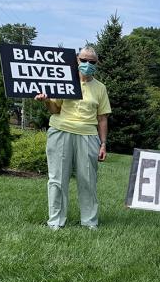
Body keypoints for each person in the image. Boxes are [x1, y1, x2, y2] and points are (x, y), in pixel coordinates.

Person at [34, 46, 111, 231]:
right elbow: (55, 109)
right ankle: (55, 221)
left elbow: (102, 118)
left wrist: (103, 144)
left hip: (88, 135)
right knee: (57, 178)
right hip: (60, 131)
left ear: (97, 63)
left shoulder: (100, 88)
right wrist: (46, 101)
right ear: (77, 59)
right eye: (84, 60)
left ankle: (89, 221)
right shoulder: (64, 81)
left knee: (88, 180)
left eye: (92, 62)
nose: (87, 64)